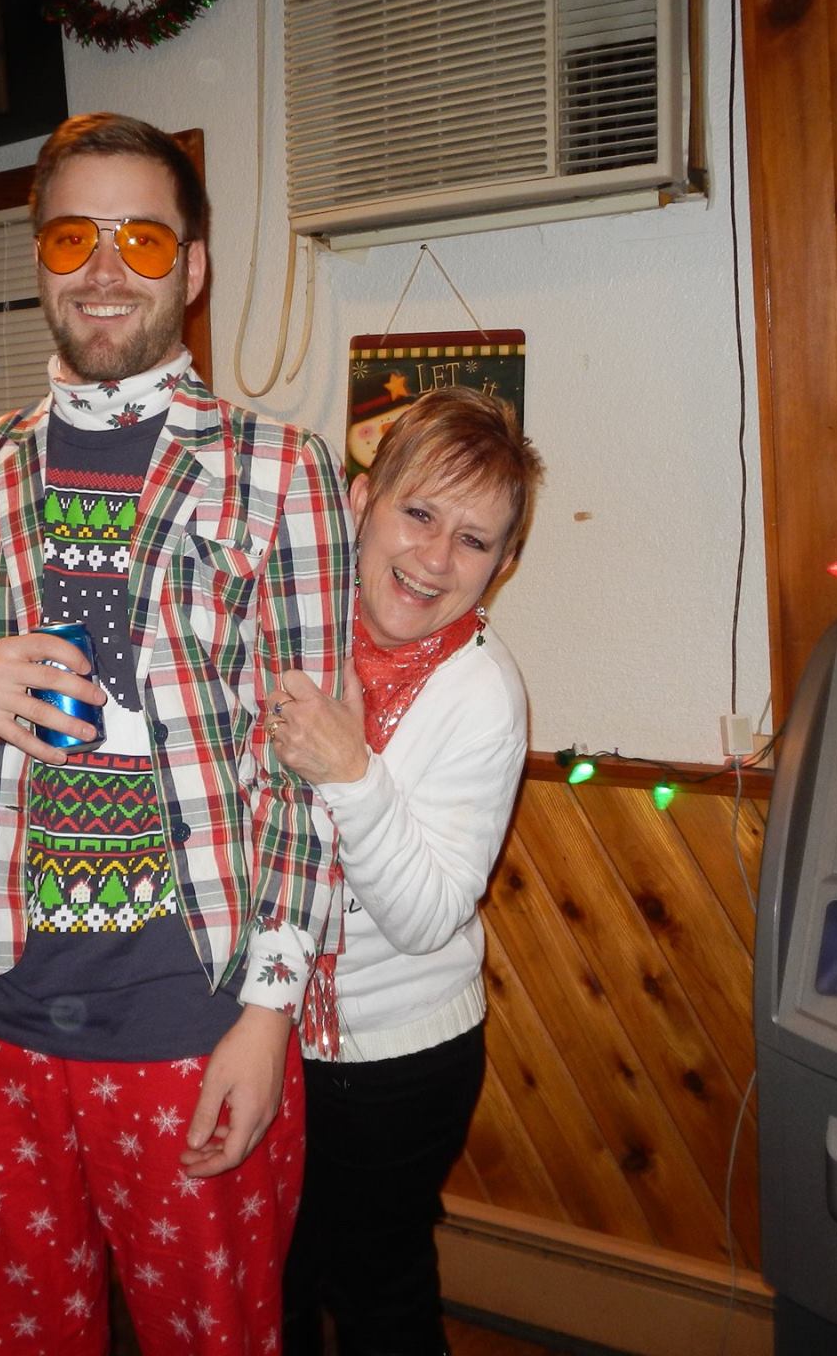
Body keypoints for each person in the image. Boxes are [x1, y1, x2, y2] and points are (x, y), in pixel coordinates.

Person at [0, 113, 353, 1354]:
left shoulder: (281, 471)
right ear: (39, 258)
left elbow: (308, 775)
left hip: (190, 1015)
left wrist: (268, 1015)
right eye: (72, 237)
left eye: (142, 239)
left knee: (213, 1337)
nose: (104, 269)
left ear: (190, 267)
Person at [268, 386, 544, 1356]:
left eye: (472, 540)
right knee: (271, 1286)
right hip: (260, 1031)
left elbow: (426, 918)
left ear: (502, 566)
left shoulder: (483, 695)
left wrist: (350, 771)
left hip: (393, 1062)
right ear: (359, 502)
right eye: (418, 512)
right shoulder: (289, 629)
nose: (433, 558)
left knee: (379, 1300)